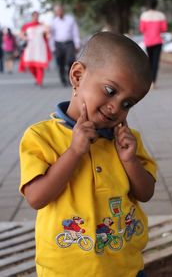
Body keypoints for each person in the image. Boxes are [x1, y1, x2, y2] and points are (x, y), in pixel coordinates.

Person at [19, 31, 157, 277]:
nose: (116, 107)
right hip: (65, 270)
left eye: (128, 103)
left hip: (124, 267)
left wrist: (129, 161)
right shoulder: (41, 137)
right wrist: (74, 151)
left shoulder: (127, 141)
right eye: (110, 90)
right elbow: (36, 198)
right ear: (78, 75)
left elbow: (145, 193)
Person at [139, 0, 168, 88]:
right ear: (156, 4)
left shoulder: (144, 15)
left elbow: (142, 29)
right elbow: (164, 29)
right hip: (158, 42)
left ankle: (149, 80)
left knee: (150, 62)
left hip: (148, 42)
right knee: (155, 62)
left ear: (148, 4)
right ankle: (153, 82)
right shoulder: (161, 15)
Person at [19, 11, 52, 86]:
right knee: (30, 66)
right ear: (32, 16)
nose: (36, 17)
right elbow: (21, 34)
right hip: (30, 48)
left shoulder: (42, 26)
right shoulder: (27, 26)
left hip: (40, 47)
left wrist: (45, 26)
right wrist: (25, 38)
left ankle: (40, 81)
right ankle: (37, 79)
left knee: (39, 66)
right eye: (34, 16)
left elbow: (48, 34)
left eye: (37, 16)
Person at [51, 4, 81, 87]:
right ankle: (63, 79)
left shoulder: (70, 19)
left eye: (60, 10)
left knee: (70, 61)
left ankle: (70, 78)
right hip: (58, 44)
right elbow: (52, 35)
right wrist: (52, 47)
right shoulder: (54, 22)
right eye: (57, 11)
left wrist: (77, 43)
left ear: (62, 11)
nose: (59, 12)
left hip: (69, 43)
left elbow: (75, 32)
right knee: (60, 62)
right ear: (56, 12)